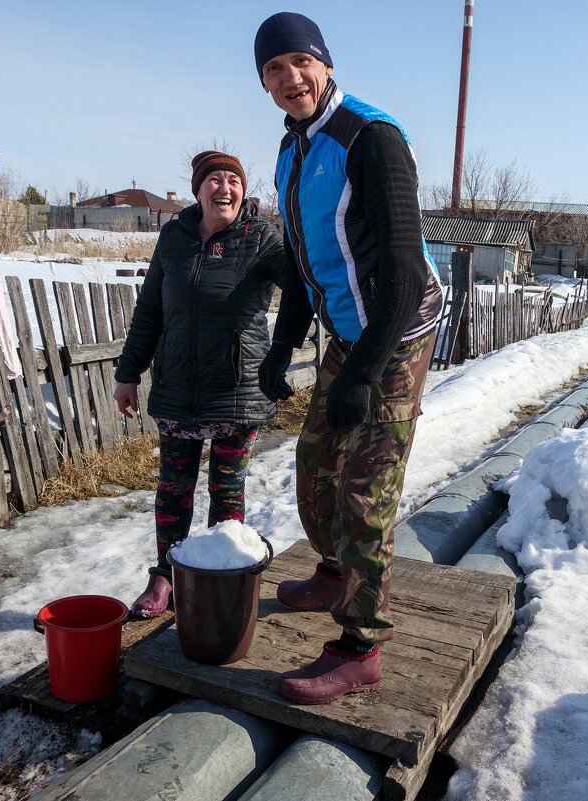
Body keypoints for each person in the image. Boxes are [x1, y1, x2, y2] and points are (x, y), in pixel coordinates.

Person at [253, 12, 444, 704]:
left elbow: (399, 268)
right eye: (273, 70)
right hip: (347, 328)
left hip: (397, 328)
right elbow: (308, 262)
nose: (288, 77)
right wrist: (284, 343)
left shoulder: (371, 138)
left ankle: (362, 645)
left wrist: (365, 372)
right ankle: (335, 570)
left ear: (325, 64)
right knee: (314, 460)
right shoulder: (293, 149)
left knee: (366, 487)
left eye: (299, 62)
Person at [114, 150, 286, 618]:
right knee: (174, 487)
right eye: (214, 179)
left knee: (227, 489)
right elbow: (150, 309)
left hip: (238, 389)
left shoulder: (262, 238)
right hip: (177, 388)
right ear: (198, 189)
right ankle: (167, 575)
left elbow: (304, 285)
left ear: (243, 191)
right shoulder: (174, 236)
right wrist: (128, 373)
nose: (224, 188)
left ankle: (218, 579)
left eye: (233, 179)